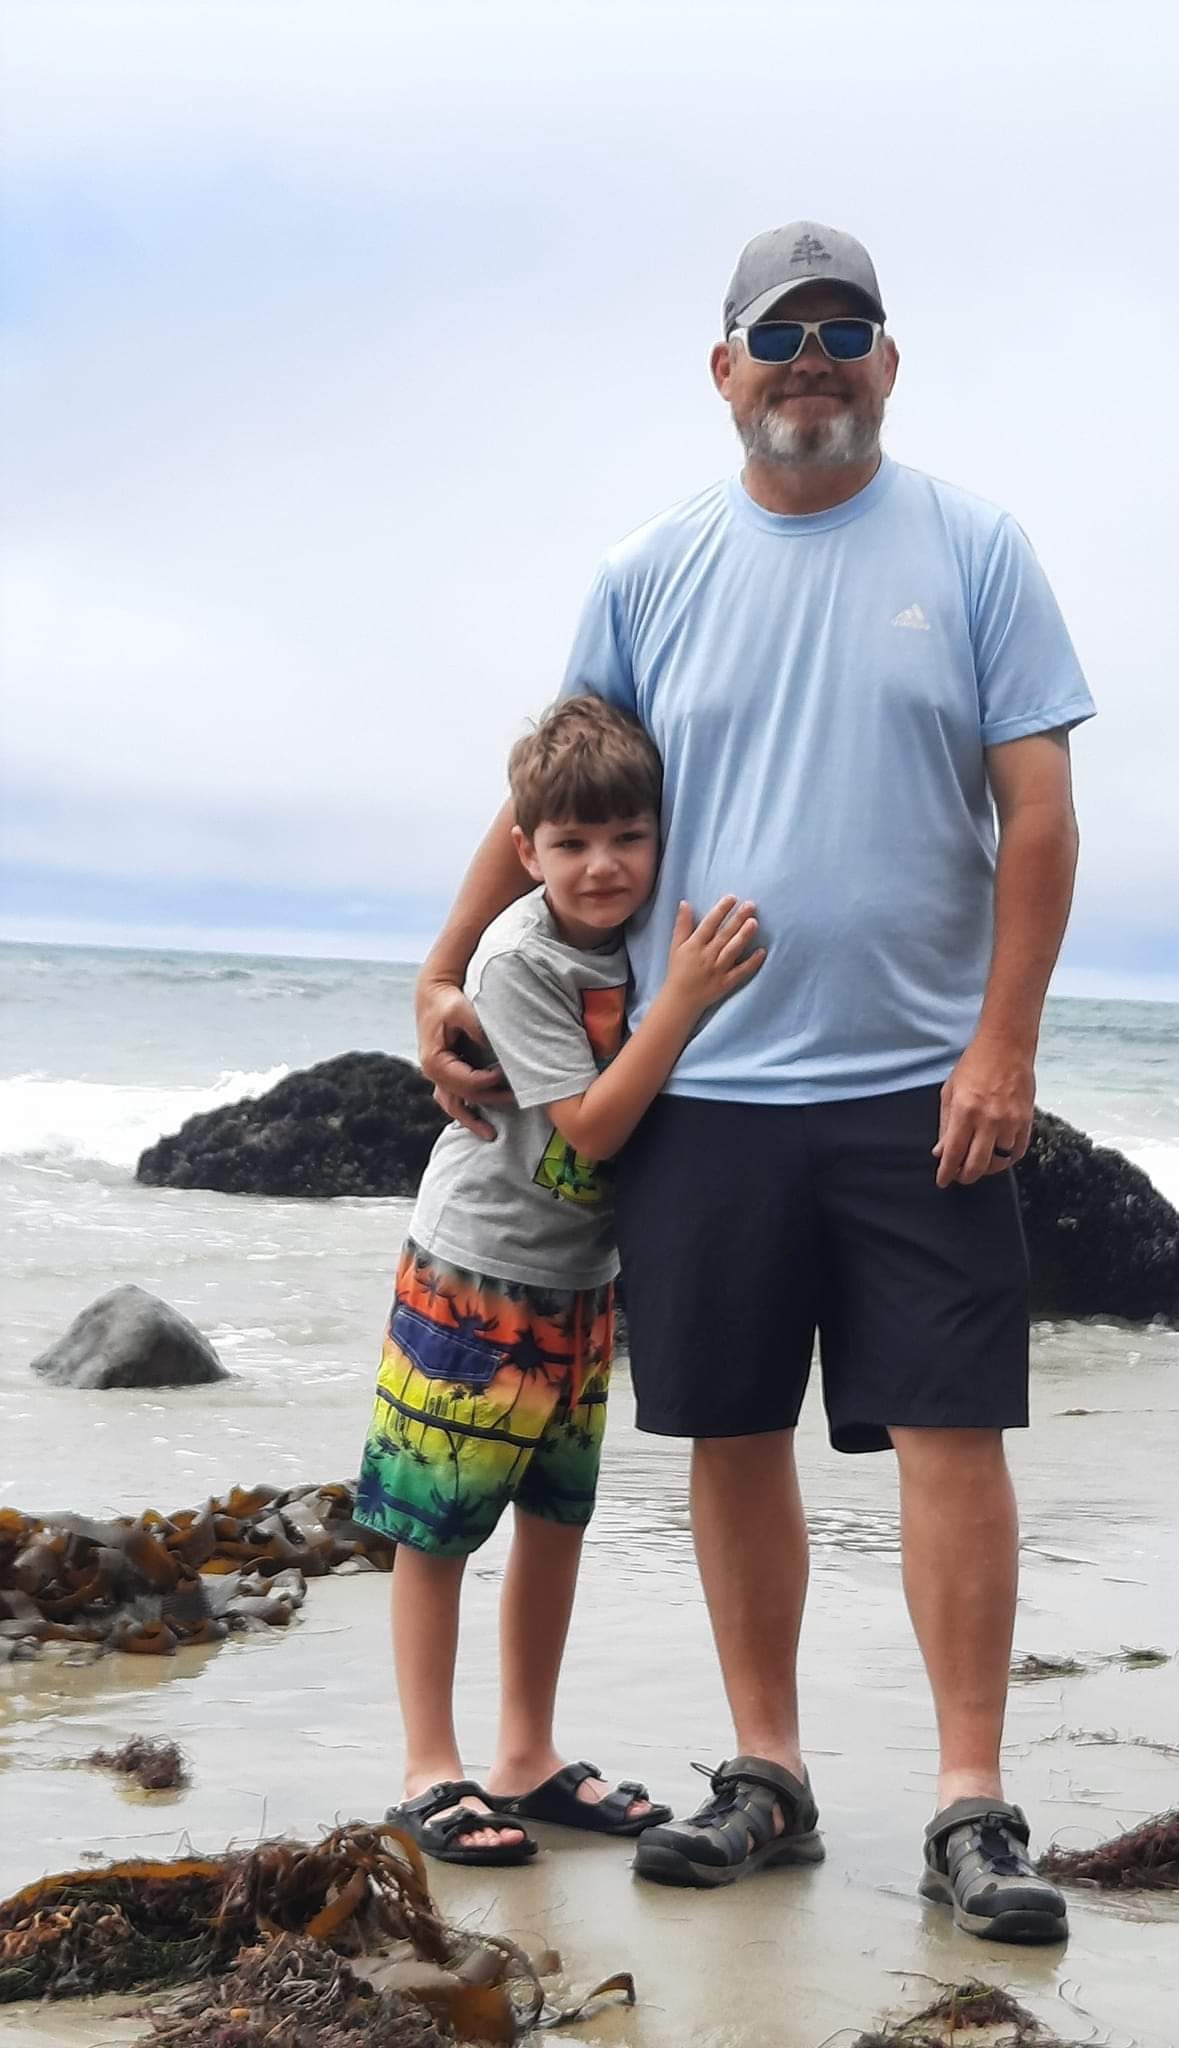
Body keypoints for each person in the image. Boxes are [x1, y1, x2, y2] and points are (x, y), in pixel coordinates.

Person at [414, 222, 1095, 1941]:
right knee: (731, 1429)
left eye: (845, 330)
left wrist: (1005, 1040)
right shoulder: (650, 569)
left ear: (889, 363)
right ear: (723, 370)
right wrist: (442, 966)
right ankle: (767, 1773)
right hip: (701, 1091)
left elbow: (1037, 812)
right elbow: (546, 795)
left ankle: (969, 1803)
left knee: (952, 1432)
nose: (813, 359)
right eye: (779, 334)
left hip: (920, 1087)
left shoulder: (979, 548)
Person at [357, 694, 764, 1865]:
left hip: (580, 1281)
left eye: (628, 837)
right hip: (477, 1270)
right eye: (572, 842)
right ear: (524, 849)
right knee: (435, 1526)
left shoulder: (633, 941)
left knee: (555, 1519)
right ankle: (429, 1766)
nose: (602, 866)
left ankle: (525, 1752)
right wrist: (682, 1002)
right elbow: (587, 1127)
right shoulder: (518, 955)